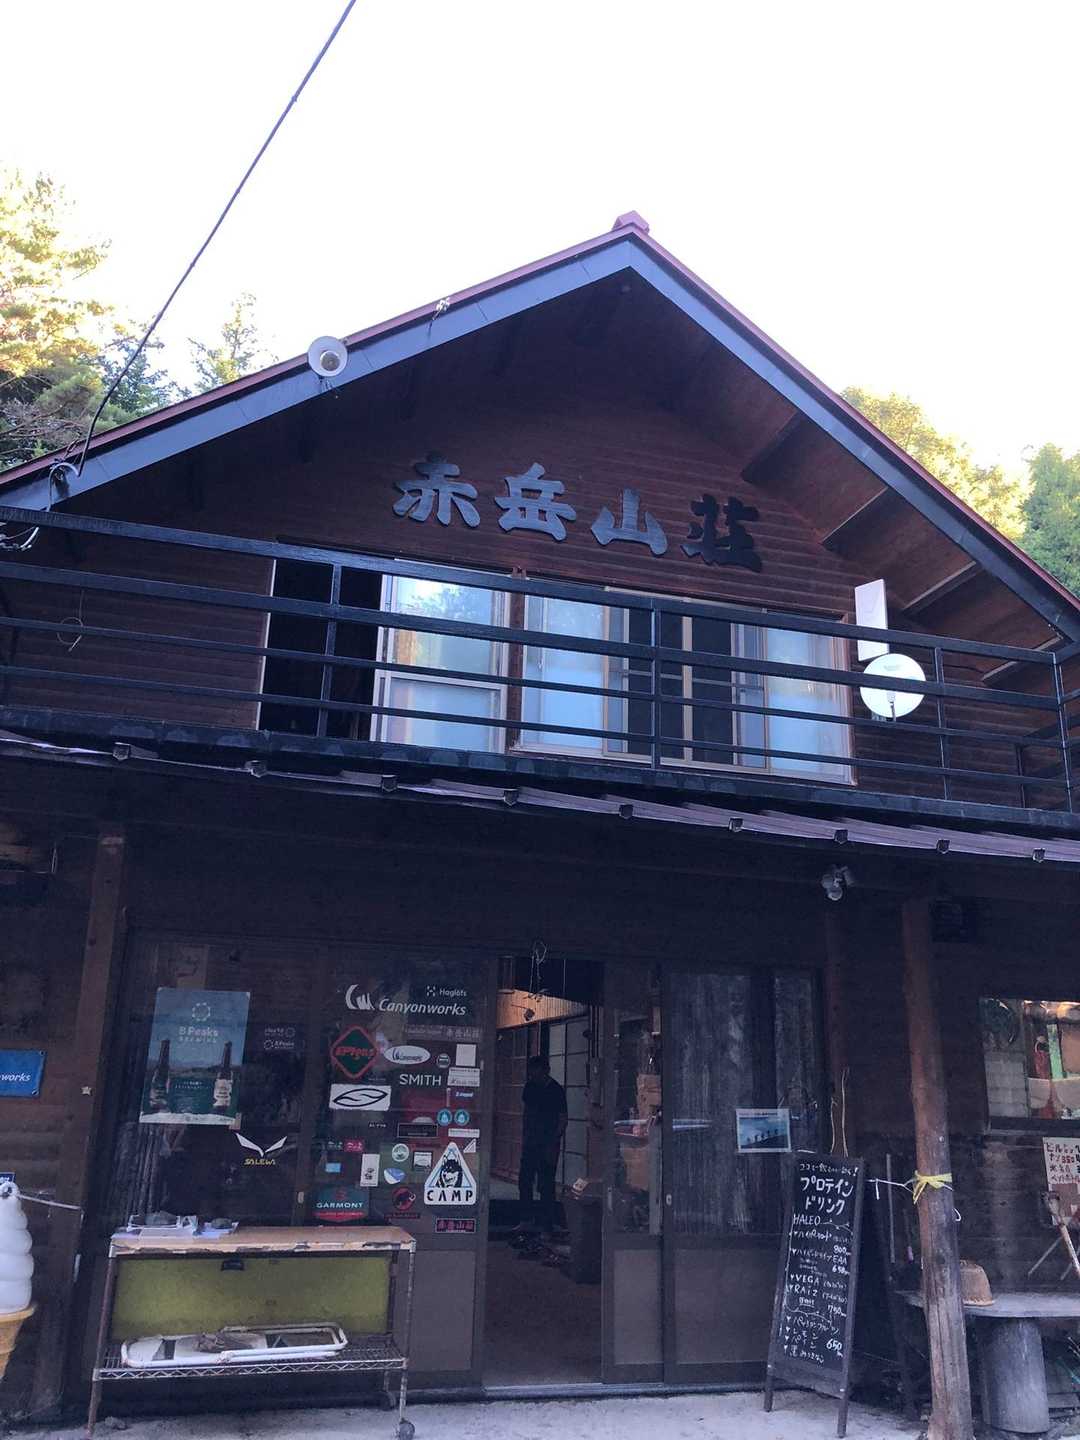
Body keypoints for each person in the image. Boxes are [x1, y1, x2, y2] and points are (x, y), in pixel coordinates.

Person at [517, 1054, 567, 1237]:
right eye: (532, 1072)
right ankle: (526, 1219)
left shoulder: (556, 1090)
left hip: (548, 1143)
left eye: (536, 1071)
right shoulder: (530, 1087)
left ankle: (547, 1225)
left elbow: (563, 1118)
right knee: (525, 1180)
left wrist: (555, 1140)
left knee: (546, 1184)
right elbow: (526, 1112)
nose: (533, 1075)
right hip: (531, 1141)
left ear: (545, 1071)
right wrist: (524, 1135)